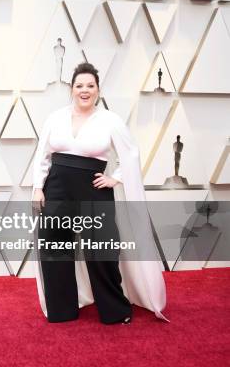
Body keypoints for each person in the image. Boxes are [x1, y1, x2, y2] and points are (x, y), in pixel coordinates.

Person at [31, 62, 167, 323]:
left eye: (90, 86)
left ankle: (115, 310)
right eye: (79, 85)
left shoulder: (110, 120)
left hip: (93, 191)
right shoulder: (55, 118)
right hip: (56, 189)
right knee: (54, 248)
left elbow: (131, 154)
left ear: (98, 90)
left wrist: (114, 178)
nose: (85, 90)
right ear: (72, 89)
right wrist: (38, 188)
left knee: (102, 250)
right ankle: (61, 310)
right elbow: (43, 156)